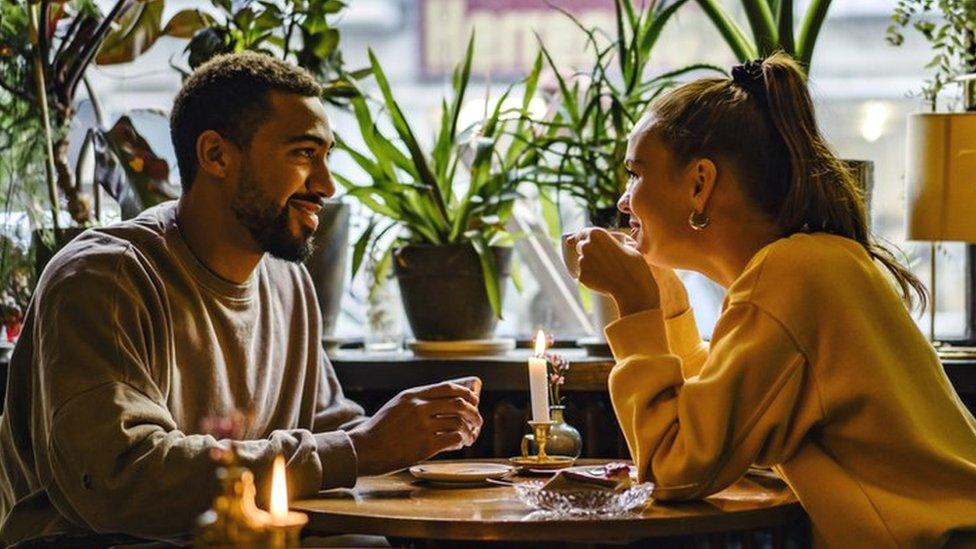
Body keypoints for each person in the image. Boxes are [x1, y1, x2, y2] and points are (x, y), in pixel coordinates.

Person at [0, 52, 483, 546]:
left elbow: (326, 428)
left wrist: (419, 444)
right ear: (216, 156)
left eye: (326, 156)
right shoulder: (106, 278)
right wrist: (359, 448)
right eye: (302, 154)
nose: (326, 185)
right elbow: (120, 478)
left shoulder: (287, 282)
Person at [568, 53, 976, 547]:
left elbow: (675, 467)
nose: (623, 200)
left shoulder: (790, 274)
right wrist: (666, 299)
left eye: (636, 173)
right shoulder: (815, 262)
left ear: (700, 183)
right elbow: (719, 422)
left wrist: (635, 306)